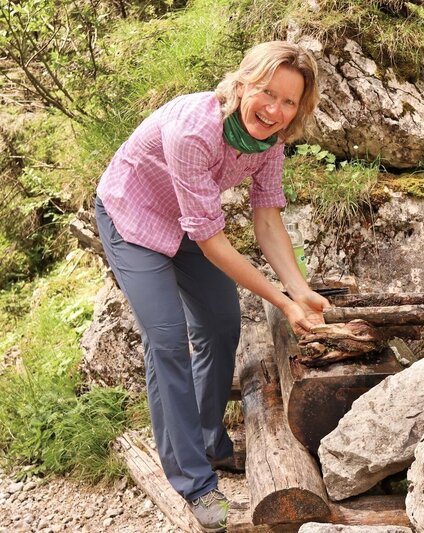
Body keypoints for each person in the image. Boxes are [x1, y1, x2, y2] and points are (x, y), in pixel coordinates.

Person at [93, 41, 328, 532]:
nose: (275, 109)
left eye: (288, 101)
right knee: (167, 340)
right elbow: (215, 244)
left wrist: (299, 288)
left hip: (186, 223)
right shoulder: (195, 130)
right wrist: (281, 301)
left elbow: (267, 220)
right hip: (131, 219)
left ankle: (207, 440)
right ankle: (194, 481)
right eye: (267, 92)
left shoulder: (271, 142)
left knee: (221, 323)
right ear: (243, 83)